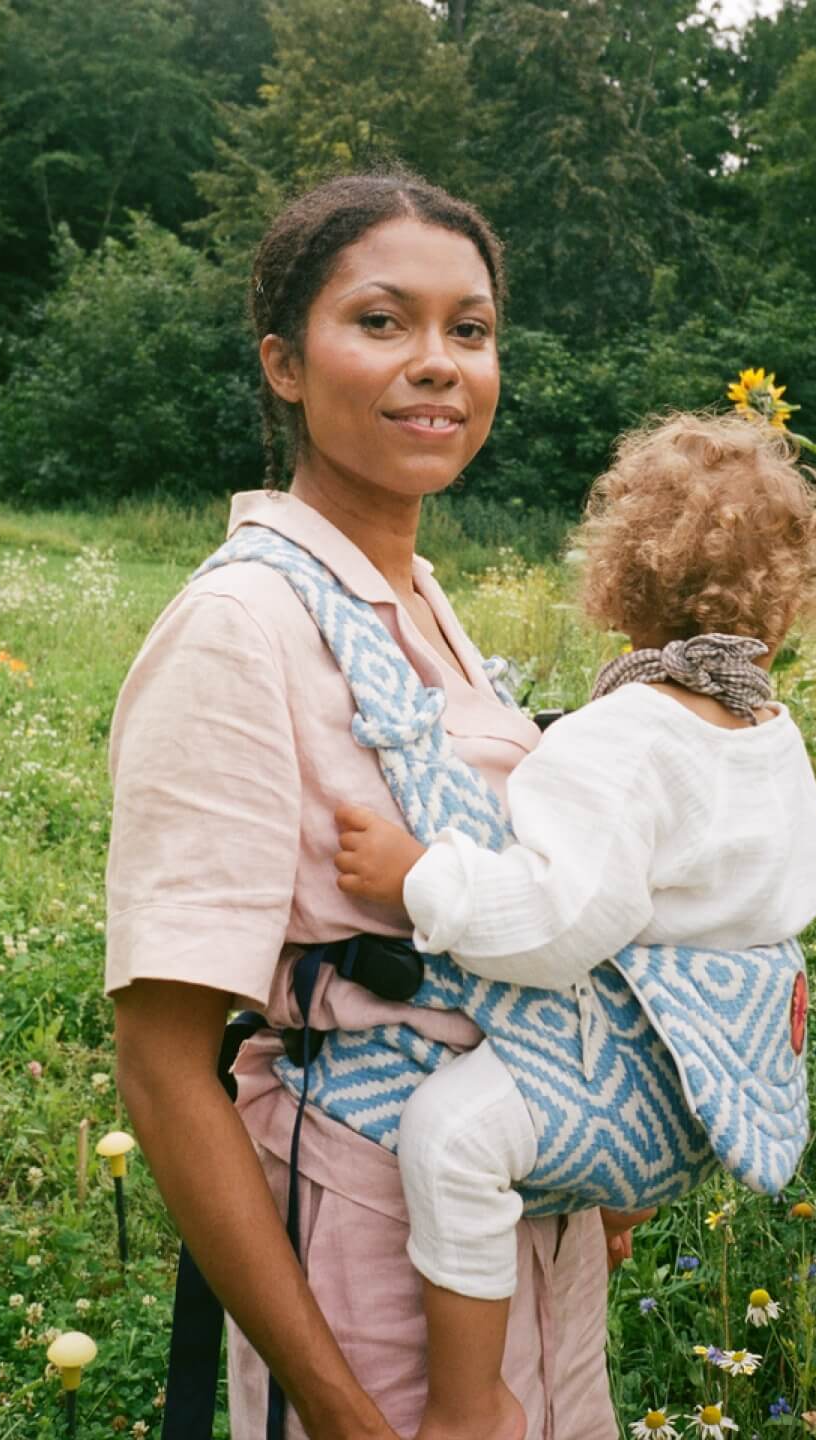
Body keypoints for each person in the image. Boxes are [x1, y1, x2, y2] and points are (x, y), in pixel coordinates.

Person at [105, 170, 649, 1440]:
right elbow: (161, 1062)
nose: (438, 365)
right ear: (285, 364)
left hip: (520, 1214)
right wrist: (338, 1407)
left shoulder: (424, 608)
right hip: (366, 1247)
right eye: (382, 321)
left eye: (469, 330)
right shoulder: (240, 626)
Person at [333, 411, 816, 1440]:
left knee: (450, 1138)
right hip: (715, 1083)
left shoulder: (619, 736)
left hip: (621, 1067)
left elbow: (564, 923)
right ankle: (611, 1197)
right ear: (785, 611)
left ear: (619, 582)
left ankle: (469, 1403)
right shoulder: (771, 733)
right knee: (572, 1096)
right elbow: (805, 873)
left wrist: (421, 877)